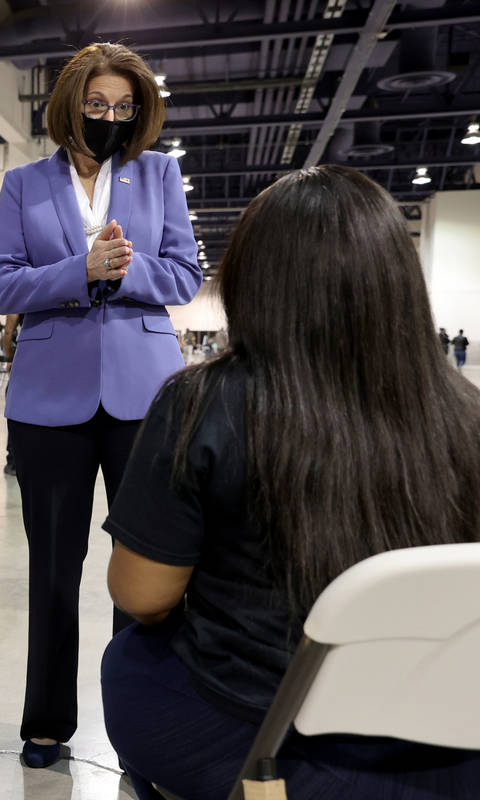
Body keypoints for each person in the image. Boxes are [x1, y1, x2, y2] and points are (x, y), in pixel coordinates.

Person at [100, 165, 480, 799]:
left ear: (254, 280)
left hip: (270, 751)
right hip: (449, 748)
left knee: (129, 659)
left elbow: (142, 595)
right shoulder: (465, 414)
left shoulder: (202, 403)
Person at [0, 42, 201, 768]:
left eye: (124, 107)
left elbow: (183, 275)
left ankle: (141, 730)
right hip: (50, 401)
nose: (111, 116)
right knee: (53, 566)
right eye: (98, 104)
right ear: (70, 103)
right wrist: (78, 270)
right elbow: (5, 287)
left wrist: (126, 266)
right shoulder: (22, 184)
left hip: (145, 396)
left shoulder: (159, 174)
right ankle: (45, 721)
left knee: (145, 570)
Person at [1, 313, 22, 476]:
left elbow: (8, 333)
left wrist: (9, 357)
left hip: (25, 361)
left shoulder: (27, 293)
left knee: (18, 415)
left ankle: (13, 462)